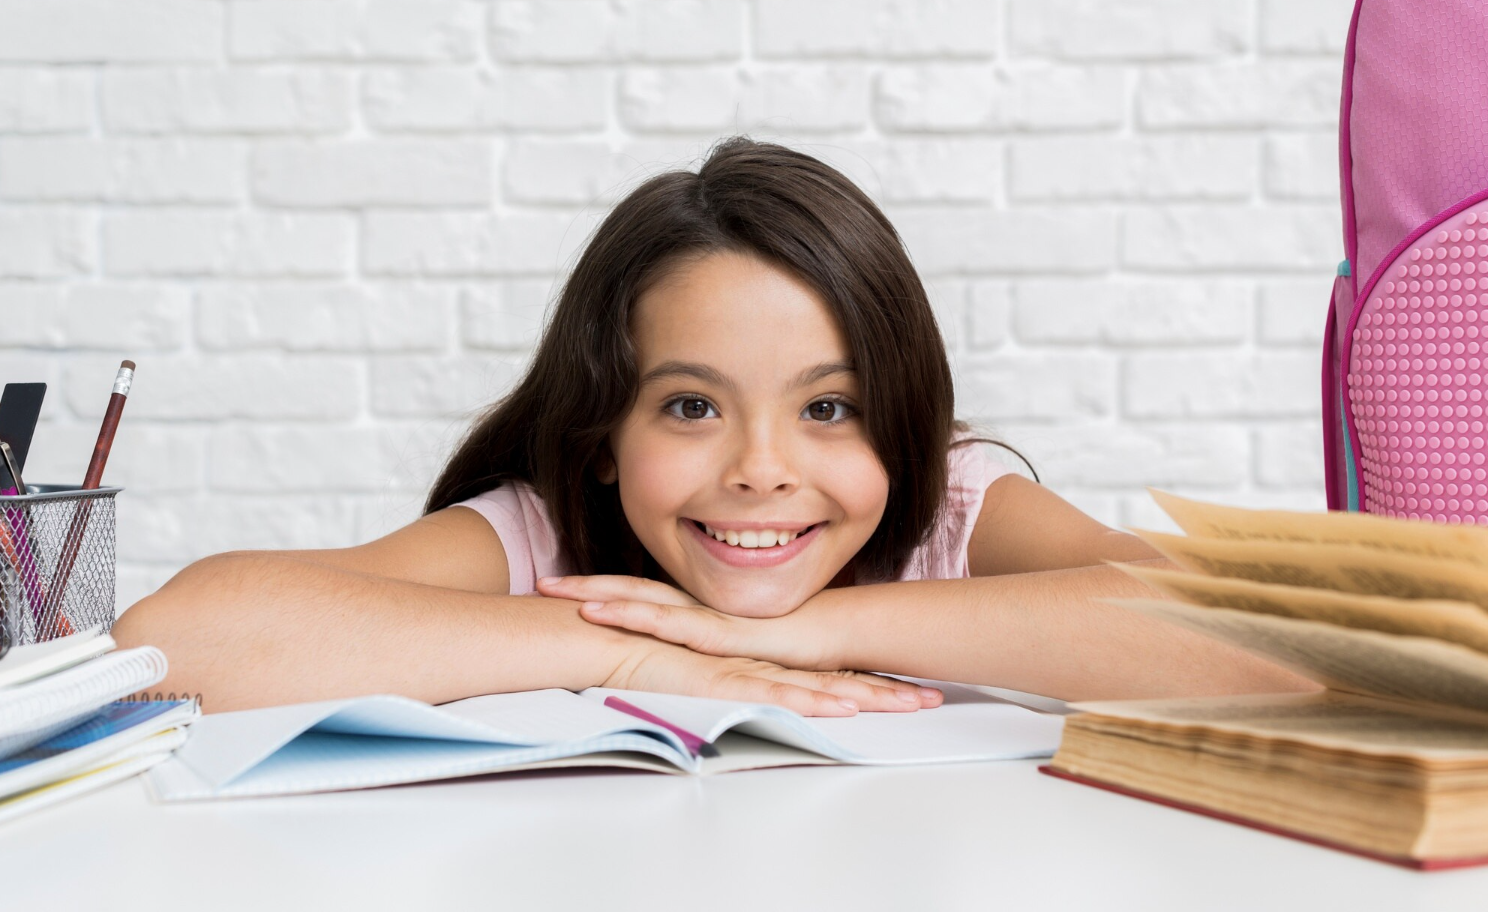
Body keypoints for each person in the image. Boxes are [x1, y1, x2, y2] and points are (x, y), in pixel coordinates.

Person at [112, 136, 1315, 714]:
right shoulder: (548, 537)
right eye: (690, 406)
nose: (760, 470)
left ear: (898, 428)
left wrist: (819, 631)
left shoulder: (953, 508)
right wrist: (638, 654)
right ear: (602, 434)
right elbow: (179, 639)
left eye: (829, 408)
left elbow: (1282, 637)